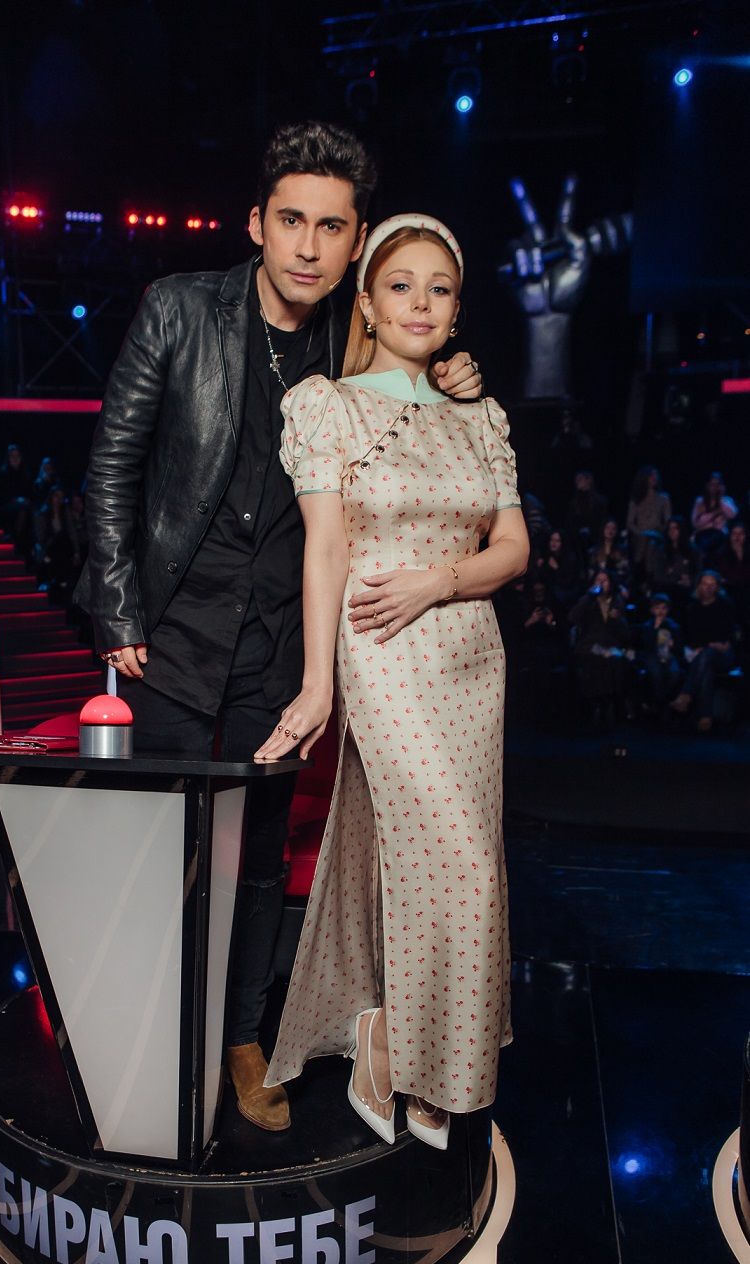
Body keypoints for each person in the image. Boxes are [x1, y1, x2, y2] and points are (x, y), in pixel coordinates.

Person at [74, 123, 484, 1133]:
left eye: (331, 227)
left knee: (259, 858)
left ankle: (243, 1037)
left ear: (356, 242)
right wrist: (118, 605)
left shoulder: (359, 339)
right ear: (257, 223)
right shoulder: (180, 309)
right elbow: (113, 463)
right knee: (157, 851)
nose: (308, 245)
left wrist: (450, 379)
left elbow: (419, 396)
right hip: (170, 635)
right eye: (291, 220)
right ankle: (144, 1035)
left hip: (284, 647)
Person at [256, 213, 529, 1150]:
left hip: (469, 654)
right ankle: (416, 1058)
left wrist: (440, 581)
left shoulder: (481, 415)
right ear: (367, 303)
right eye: (401, 286)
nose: (421, 303)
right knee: (459, 860)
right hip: (379, 647)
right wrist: (318, 684)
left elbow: (513, 549)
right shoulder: (326, 405)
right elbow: (325, 549)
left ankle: (393, 1036)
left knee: (436, 858)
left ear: (456, 311)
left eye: (439, 289)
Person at [670, 570, 736, 732]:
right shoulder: (692, 607)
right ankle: (705, 717)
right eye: (705, 583)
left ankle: (685, 695)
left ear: (717, 587)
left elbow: (725, 635)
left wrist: (711, 643)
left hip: (723, 655)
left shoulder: (725, 605)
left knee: (708, 654)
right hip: (703, 654)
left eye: (712, 584)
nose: (708, 587)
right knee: (707, 666)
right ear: (698, 585)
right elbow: (692, 636)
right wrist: (709, 643)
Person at [569, 568, 632, 727]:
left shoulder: (617, 602)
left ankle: (608, 704)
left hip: (610, 645)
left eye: (605, 580)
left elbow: (625, 633)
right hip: (589, 645)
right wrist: (589, 596)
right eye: (599, 580)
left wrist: (617, 619)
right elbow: (573, 617)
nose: (602, 583)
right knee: (596, 662)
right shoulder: (588, 601)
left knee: (614, 661)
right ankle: (597, 703)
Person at [636, 592, 681, 713]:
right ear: (652, 610)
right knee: (656, 673)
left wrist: (673, 644)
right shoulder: (647, 626)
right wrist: (655, 628)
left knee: (674, 673)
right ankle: (658, 705)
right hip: (651, 655)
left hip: (669, 655)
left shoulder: (673, 626)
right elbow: (646, 646)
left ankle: (663, 702)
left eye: (663, 608)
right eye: (657, 608)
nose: (660, 611)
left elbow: (679, 647)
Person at [626, 466, 671, 584]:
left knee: (651, 542)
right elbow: (630, 522)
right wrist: (640, 533)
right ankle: (645, 576)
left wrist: (659, 531)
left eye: (655, 476)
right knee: (647, 542)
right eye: (651, 476)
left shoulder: (664, 498)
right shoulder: (636, 498)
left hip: (657, 534)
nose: (654, 478)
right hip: (639, 535)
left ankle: (641, 572)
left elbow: (668, 520)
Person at [690, 472, 737, 564]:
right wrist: (715, 512)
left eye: (717, 484)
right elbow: (695, 523)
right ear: (707, 486)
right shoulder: (700, 501)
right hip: (703, 535)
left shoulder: (726, 501)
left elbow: (732, 515)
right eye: (712, 484)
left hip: (720, 536)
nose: (715, 487)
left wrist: (720, 499)